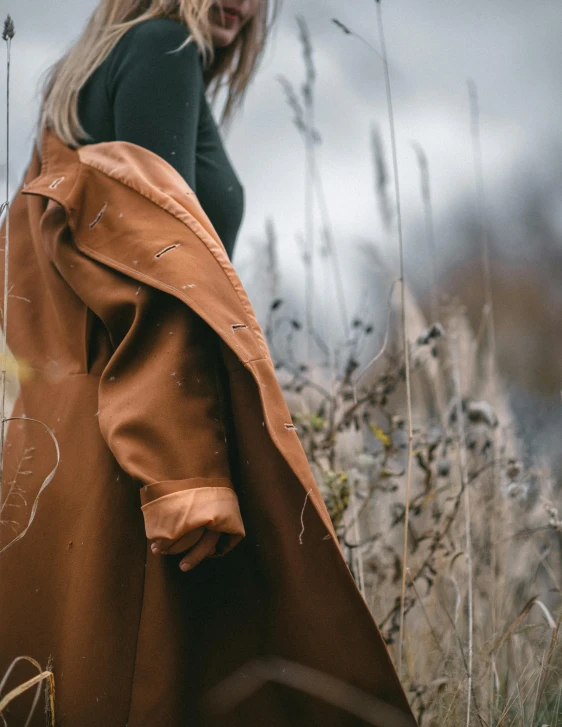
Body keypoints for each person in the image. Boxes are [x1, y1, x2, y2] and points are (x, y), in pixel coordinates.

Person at [0, 2, 418, 725]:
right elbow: (155, 275)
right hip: (141, 442)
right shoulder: (163, 49)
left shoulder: (92, 73)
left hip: (67, 435)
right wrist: (187, 474)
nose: (244, 2)